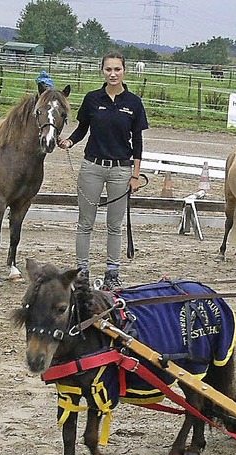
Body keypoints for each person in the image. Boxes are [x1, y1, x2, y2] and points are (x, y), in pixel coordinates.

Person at [58, 52, 148, 290]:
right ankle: (82, 270)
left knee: (114, 225)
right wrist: (70, 142)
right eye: (108, 69)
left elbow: (137, 142)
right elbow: (82, 129)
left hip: (121, 170)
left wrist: (135, 175)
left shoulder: (134, 103)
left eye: (117, 69)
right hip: (92, 167)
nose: (113, 74)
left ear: (124, 71)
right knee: (85, 222)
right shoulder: (92, 99)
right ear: (103, 71)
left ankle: (112, 271)